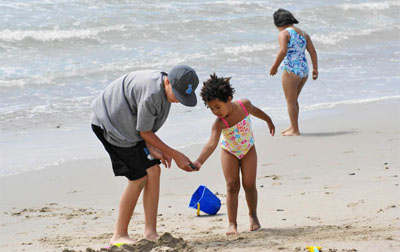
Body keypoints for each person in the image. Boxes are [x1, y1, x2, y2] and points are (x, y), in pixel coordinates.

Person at [91, 65, 199, 246]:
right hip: (111, 125)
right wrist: (174, 154)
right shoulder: (152, 94)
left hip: (131, 125)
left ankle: (150, 232)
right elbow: (144, 131)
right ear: (167, 81)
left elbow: (144, 126)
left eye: (184, 97)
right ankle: (119, 234)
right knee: (138, 178)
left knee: (154, 170)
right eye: (178, 96)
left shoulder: (165, 91)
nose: (179, 101)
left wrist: (152, 147)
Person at [192, 73, 275, 235]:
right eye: (211, 109)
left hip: (248, 149)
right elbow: (211, 143)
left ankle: (253, 216)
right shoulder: (219, 123)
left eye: (217, 107)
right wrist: (199, 161)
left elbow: (257, 112)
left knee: (249, 185)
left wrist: (269, 120)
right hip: (229, 151)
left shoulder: (244, 106)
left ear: (229, 98)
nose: (215, 111)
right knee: (232, 186)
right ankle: (232, 224)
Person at [269, 8, 318, 136]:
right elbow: (313, 52)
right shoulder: (303, 33)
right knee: (294, 100)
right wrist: (315, 69)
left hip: (291, 69)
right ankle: (293, 126)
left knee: (290, 101)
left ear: (278, 23)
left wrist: (274, 67)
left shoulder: (284, 33)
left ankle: (295, 130)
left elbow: (283, 51)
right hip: (303, 70)